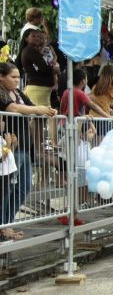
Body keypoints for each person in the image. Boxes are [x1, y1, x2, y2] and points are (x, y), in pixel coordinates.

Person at [0, 62, 56, 238]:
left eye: (18, 77)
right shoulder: (2, 93)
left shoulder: (17, 92)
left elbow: (30, 106)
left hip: (24, 146)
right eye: (13, 77)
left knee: (23, 187)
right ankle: (3, 227)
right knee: (6, 189)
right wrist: (38, 109)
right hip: (10, 148)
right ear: (1, 76)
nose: (17, 80)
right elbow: (13, 108)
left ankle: (7, 223)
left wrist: (45, 110)